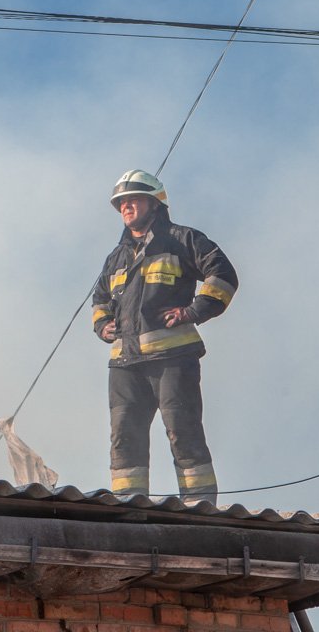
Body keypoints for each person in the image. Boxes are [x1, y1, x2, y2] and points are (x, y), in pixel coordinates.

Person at [91, 169, 237, 504]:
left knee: (182, 431)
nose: (126, 208)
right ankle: (129, 505)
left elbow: (223, 274)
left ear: (155, 203)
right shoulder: (117, 257)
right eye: (121, 203)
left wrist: (193, 311)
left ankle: (198, 506)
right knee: (124, 437)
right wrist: (102, 326)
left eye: (133, 200)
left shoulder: (183, 240)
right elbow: (99, 299)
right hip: (125, 364)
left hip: (173, 359)